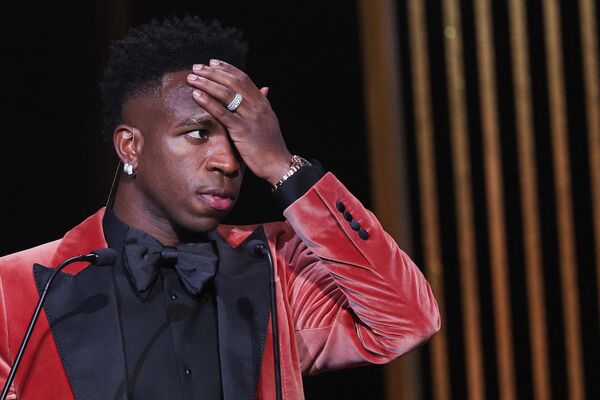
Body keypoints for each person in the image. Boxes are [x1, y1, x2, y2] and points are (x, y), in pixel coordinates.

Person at [0, 15, 440, 400]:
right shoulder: (14, 289)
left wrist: (281, 166)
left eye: (238, 140)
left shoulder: (278, 270)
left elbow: (406, 321)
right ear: (130, 146)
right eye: (197, 133)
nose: (228, 162)